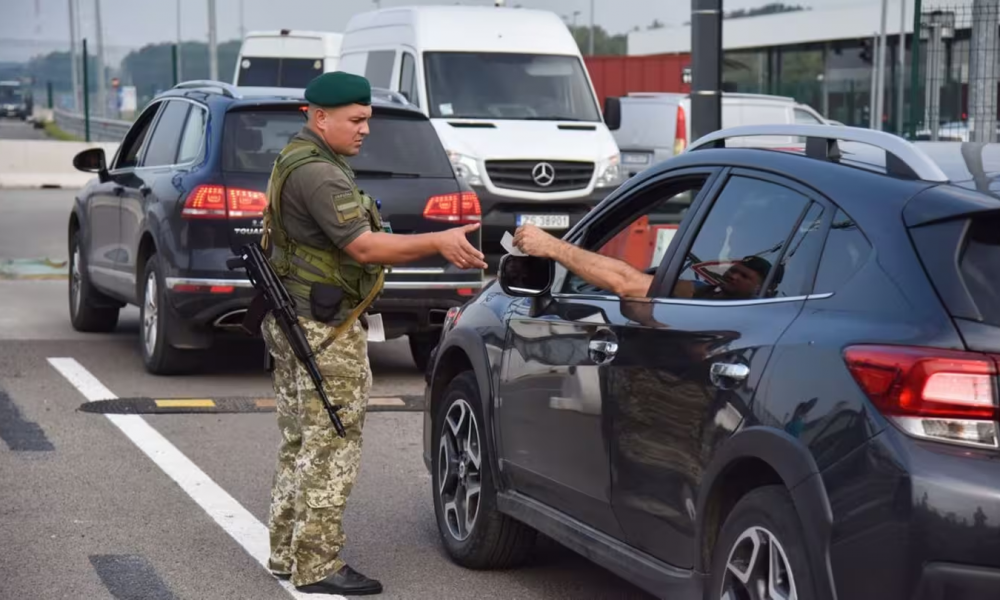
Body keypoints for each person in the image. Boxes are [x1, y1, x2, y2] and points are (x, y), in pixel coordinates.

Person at [259, 71, 487, 596]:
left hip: (295, 318)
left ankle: (286, 550)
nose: (365, 130)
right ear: (320, 117)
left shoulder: (296, 157)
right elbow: (363, 248)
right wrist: (439, 242)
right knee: (332, 441)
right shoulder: (320, 174)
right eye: (356, 120)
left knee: (300, 440)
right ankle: (316, 564)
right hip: (323, 328)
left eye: (367, 119)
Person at [512, 223, 775, 301]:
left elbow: (626, 283)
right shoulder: (706, 291)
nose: (735, 276)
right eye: (735, 270)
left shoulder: (746, 306)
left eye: (746, 277)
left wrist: (553, 247)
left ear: (764, 289)